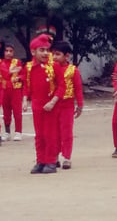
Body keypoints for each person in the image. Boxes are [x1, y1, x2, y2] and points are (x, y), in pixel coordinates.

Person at [23, 34, 67, 174]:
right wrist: (25, 100)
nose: (45, 53)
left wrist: (53, 101)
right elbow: (26, 86)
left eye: (47, 50)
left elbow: (62, 86)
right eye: (41, 50)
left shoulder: (54, 66)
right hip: (37, 105)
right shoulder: (29, 67)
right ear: (33, 52)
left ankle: (51, 161)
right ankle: (40, 161)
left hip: (51, 106)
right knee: (39, 135)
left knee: (50, 134)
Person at [50, 41, 84, 169]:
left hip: (67, 104)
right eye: (53, 54)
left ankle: (67, 157)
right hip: (54, 104)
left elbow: (78, 89)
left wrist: (80, 105)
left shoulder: (72, 70)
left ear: (67, 56)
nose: (54, 57)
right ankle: (55, 156)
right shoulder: (51, 68)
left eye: (58, 54)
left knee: (66, 131)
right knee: (54, 132)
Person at [1, 42, 24, 142]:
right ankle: (7, 132)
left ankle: (18, 132)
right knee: (6, 112)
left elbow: (23, 75)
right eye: (6, 51)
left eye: (10, 51)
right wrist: (12, 72)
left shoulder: (17, 62)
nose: (8, 53)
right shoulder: (1, 62)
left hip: (15, 90)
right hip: (4, 89)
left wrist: (19, 77)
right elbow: (5, 75)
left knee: (17, 111)